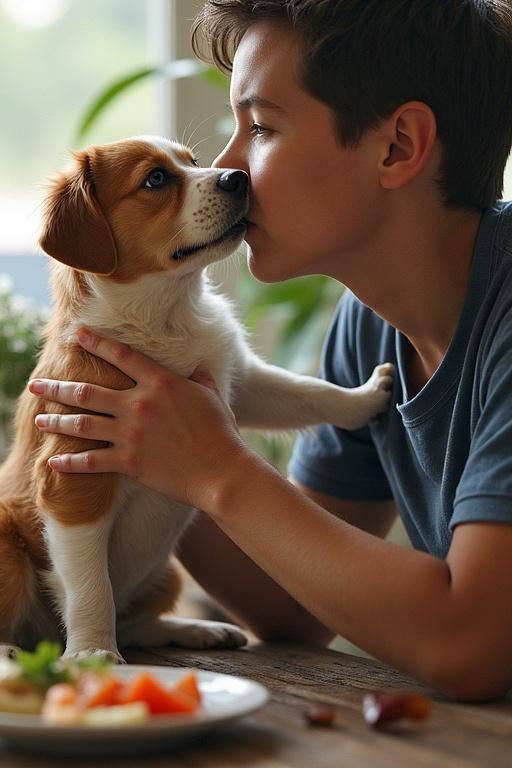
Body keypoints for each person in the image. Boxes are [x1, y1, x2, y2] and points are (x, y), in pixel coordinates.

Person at [28, 0, 512, 701]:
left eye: (260, 127)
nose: (229, 168)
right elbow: (293, 604)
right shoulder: (372, 323)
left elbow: (467, 645)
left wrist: (216, 467)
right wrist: (141, 443)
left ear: (398, 146)